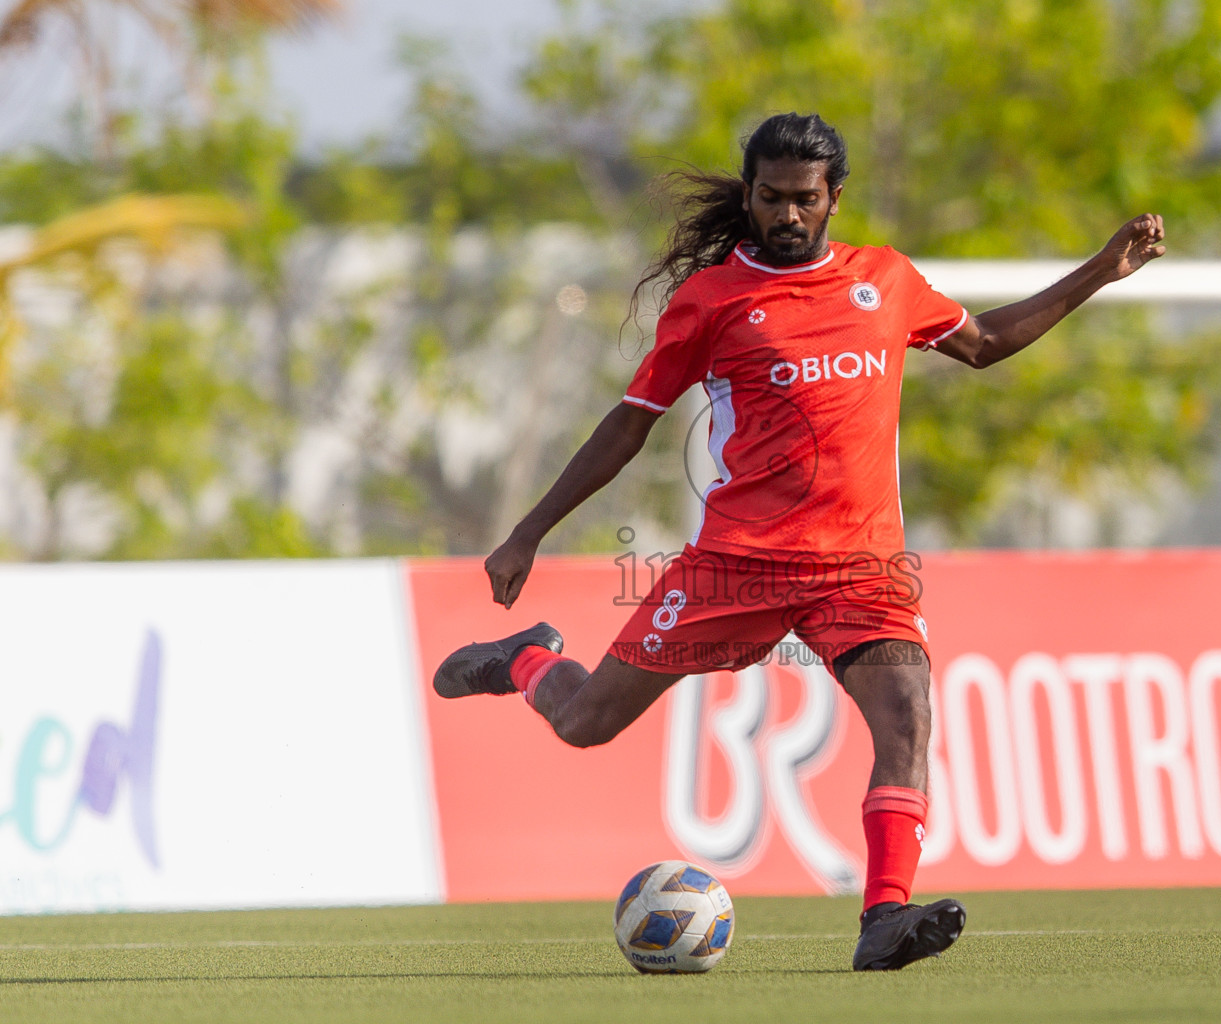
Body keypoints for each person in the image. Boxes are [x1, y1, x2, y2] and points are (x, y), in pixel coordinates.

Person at [434, 112, 1165, 971]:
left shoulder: (884, 281)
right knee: (587, 722)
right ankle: (523, 660)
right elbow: (630, 426)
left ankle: (883, 919)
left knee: (908, 721)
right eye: (771, 198)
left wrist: (1100, 272)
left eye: (804, 200)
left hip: (861, 570)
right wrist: (528, 533)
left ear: (833, 200)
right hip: (735, 566)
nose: (787, 215)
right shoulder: (710, 301)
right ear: (749, 196)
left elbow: (987, 343)